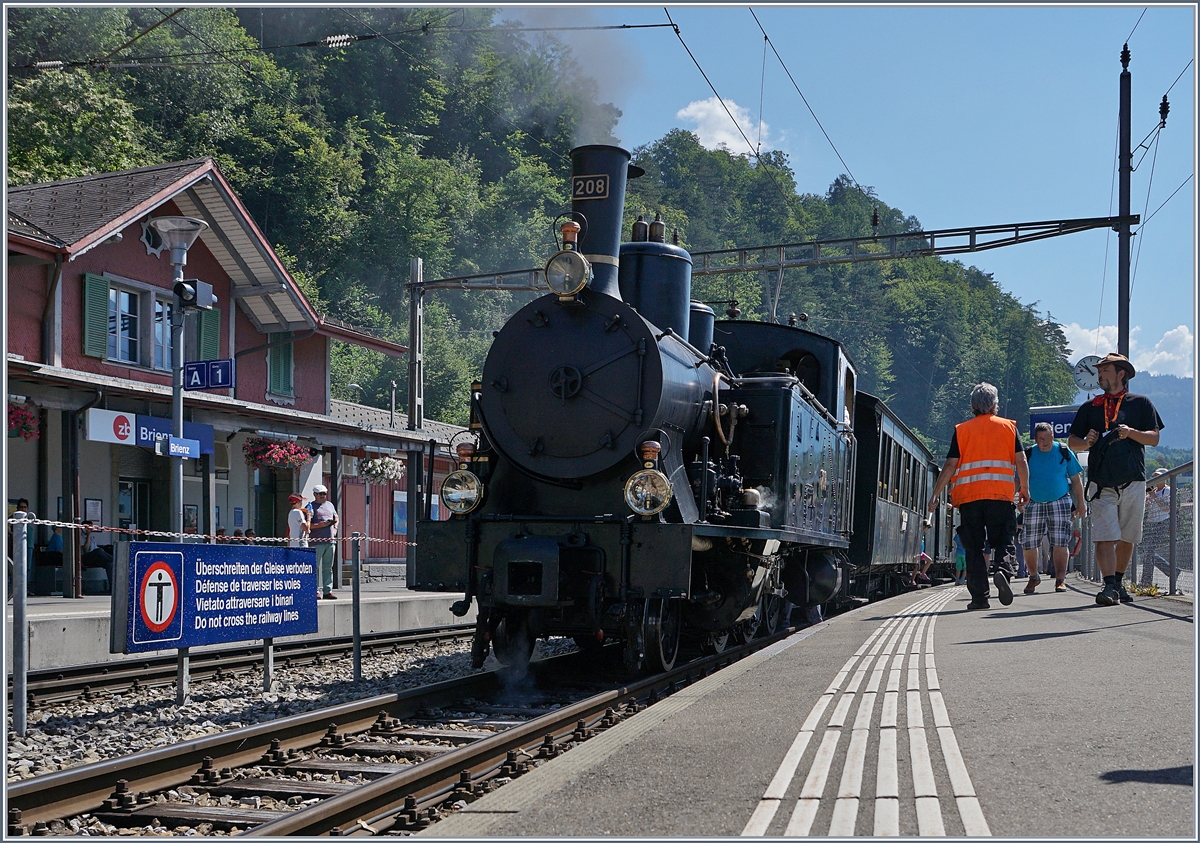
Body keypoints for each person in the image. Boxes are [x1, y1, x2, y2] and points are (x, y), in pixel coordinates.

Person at [1067, 353, 1163, 606]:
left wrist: (1131, 433)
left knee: (1128, 536)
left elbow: (1154, 438)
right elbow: (1072, 442)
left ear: (1121, 374)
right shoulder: (1090, 407)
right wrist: (1086, 442)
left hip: (1133, 479)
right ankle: (1109, 585)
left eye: (1105, 370)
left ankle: (1118, 583)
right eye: (1099, 371)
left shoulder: (1141, 403)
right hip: (1101, 482)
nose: (1100, 375)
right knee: (1104, 536)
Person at [926, 383, 1030, 611]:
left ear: (972, 406)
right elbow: (1021, 460)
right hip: (1000, 496)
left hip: (969, 498)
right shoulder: (1009, 427)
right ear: (995, 405)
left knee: (973, 548)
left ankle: (980, 599)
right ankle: (1002, 571)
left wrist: (936, 493)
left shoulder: (962, 430)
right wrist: (1024, 488)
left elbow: (950, 465)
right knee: (1003, 541)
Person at [1020, 422, 1085, 594]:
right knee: (1028, 542)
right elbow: (1019, 479)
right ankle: (1033, 576)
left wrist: (1081, 502)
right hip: (1034, 502)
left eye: (1048, 438)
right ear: (1036, 439)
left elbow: (1076, 480)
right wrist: (1016, 498)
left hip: (1060, 501)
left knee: (1060, 541)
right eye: (1041, 439)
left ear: (1053, 437)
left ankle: (1060, 580)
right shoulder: (1028, 454)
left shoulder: (1063, 451)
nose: (1046, 443)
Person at [306, 485, 338, 599]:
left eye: (324, 493)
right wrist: (320, 525)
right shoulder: (310, 506)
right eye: (320, 494)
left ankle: (328, 590)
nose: (323, 496)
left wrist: (335, 528)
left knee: (328, 567)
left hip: (330, 541)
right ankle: (315, 591)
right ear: (314, 494)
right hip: (316, 541)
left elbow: (336, 517)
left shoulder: (330, 505)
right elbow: (307, 525)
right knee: (315, 567)